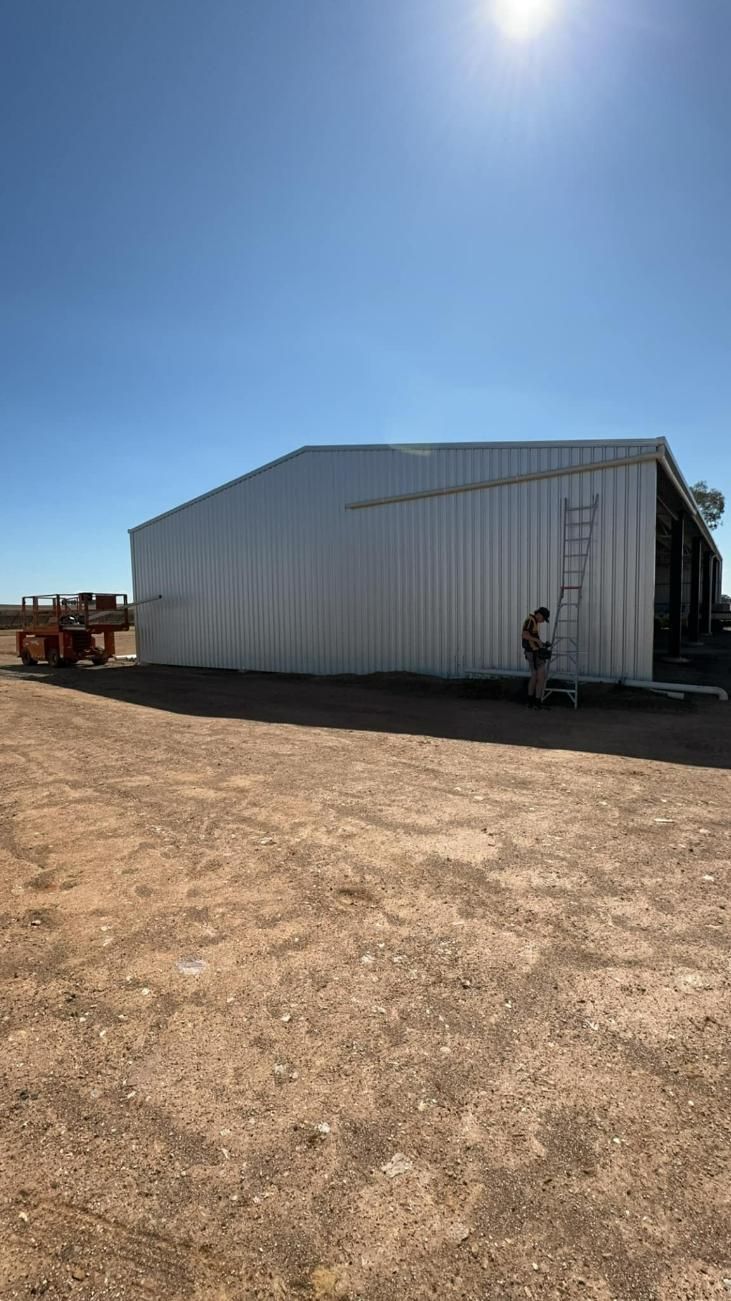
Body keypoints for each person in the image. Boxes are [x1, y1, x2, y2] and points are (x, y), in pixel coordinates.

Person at [522, 606, 551, 709]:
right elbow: (524, 635)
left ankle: (533, 702)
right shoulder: (531, 620)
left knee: (537, 676)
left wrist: (542, 644)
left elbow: (531, 637)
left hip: (534, 652)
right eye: (543, 619)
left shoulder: (533, 621)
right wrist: (538, 641)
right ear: (539, 614)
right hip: (533, 653)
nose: (543, 621)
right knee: (538, 676)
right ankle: (535, 702)